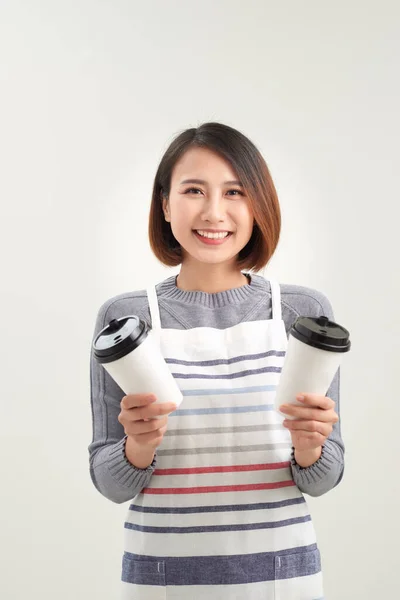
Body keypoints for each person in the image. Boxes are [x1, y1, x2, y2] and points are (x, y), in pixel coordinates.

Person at [89, 122, 344, 599]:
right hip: (162, 579)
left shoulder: (302, 313)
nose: (214, 212)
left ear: (258, 206)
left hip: (281, 578)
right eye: (193, 190)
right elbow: (110, 481)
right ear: (165, 204)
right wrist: (137, 447)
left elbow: (325, 476)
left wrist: (311, 446)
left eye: (235, 192)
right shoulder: (126, 318)